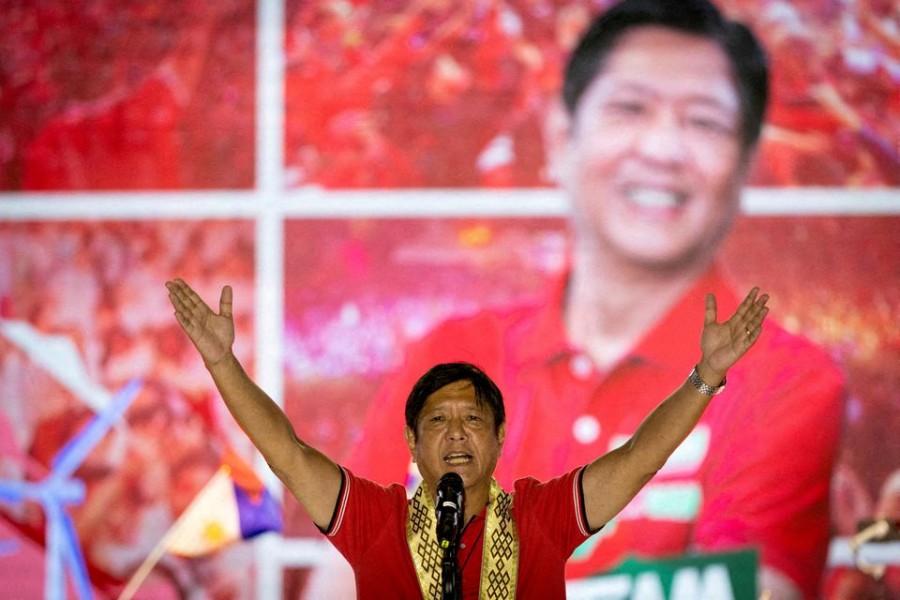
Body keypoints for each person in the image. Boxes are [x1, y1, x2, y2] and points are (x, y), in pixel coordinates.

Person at [307, 1, 846, 598]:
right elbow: (341, 584)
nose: (664, 148)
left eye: (705, 122)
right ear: (560, 139)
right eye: (630, 108)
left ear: (746, 166)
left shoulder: (785, 383)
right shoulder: (450, 356)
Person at [165, 277, 768, 598]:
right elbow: (287, 451)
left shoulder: (542, 515)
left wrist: (705, 376)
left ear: (500, 437)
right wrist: (223, 365)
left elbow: (638, 459)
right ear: (410, 441)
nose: (456, 434)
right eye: (437, 421)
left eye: (473, 419)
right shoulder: (375, 522)